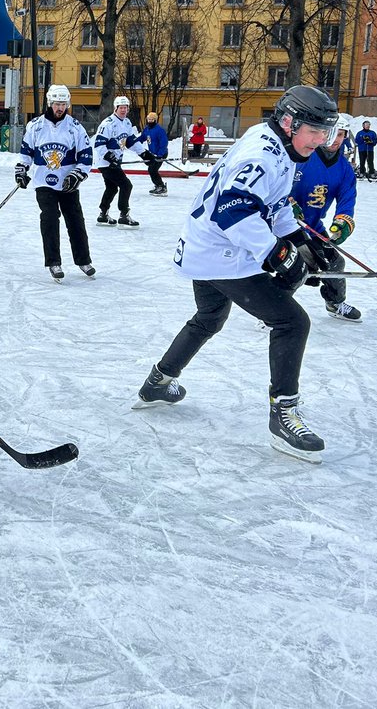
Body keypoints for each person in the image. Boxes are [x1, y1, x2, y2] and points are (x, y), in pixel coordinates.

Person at [134, 85, 339, 463]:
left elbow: (271, 204)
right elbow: (233, 210)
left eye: (325, 132)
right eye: (314, 131)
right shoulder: (263, 153)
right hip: (221, 252)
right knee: (292, 323)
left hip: (204, 247)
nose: (320, 140)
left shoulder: (279, 145)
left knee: (210, 317)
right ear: (290, 122)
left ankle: (158, 383)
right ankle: (283, 416)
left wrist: (300, 240)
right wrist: (279, 254)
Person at [15, 83, 95, 281]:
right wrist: (21, 170)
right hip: (44, 183)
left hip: (68, 184)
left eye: (63, 104)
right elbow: (26, 154)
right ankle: (53, 262)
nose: (60, 108)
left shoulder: (76, 128)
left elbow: (86, 157)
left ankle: (83, 260)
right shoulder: (35, 126)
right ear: (49, 103)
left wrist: (76, 175)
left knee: (76, 220)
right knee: (49, 219)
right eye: (57, 104)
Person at [290, 114, 361, 322]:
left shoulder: (344, 169)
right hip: (286, 225)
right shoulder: (302, 157)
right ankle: (274, 309)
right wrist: (287, 203)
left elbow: (347, 199)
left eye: (342, 134)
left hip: (312, 225)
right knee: (298, 265)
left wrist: (342, 222)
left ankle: (335, 302)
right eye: (334, 133)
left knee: (335, 262)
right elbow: (276, 185)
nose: (337, 139)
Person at [93, 95, 140, 228]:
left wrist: (145, 153)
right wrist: (109, 156)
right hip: (106, 163)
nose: (124, 110)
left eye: (126, 108)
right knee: (126, 185)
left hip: (115, 162)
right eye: (121, 108)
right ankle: (124, 215)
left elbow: (131, 141)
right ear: (116, 108)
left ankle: (103, 214)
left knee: (112, 188)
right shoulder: (108, 123)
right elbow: (99, 144)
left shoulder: (126, 123)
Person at [136, 112, 169, 195]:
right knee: (151, 170)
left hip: (161, 153)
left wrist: (160, 155)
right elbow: (142, 137)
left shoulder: (159, 130)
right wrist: (133, 142)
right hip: (152, 153)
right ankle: (158, 185)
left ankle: (161, 186)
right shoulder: (147, 129)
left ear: (155, 120)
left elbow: (164, 143)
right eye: (149, 119)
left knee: (152, 170)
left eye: (152, 119)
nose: (150, 121)